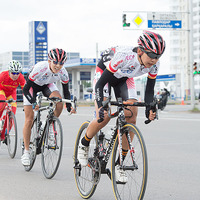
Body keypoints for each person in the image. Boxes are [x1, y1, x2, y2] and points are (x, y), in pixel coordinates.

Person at [78, 30, 166, 183]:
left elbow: (149, 90)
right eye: (152, 55)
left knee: (131, 115)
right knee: (103, 117)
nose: (154, 60)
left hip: (124, 78)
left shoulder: (154, 64)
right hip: (106, 74)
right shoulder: (125, 56)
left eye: (158, 57)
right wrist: (101, 106)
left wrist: (150, 108)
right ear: (140, 51)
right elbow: (100, 84)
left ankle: (120, 164)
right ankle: (84, 143)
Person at [21, 48, 76, 166]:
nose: (58, 66)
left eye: (61, 63)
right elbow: (26, 89)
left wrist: (69, 106)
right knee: (29, 119)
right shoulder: (40, 68)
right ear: (49, 60)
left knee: (59, 102)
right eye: (55, 62)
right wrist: (33, 102)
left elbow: (66, 93)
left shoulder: (63, 72)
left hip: (47, 85)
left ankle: (51, 124)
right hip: (32, 86)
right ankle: (26, 151)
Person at [0, 60, 25, 143]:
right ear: (9, 71)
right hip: (1, 91)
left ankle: (4, 135)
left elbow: (24, 90)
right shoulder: (3, 75)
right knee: (2, 103)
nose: (15, 75)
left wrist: (27, 100)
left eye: (17, 73)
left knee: (12, 112)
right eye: (13, 73)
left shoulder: (21, 77)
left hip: (11, 94)